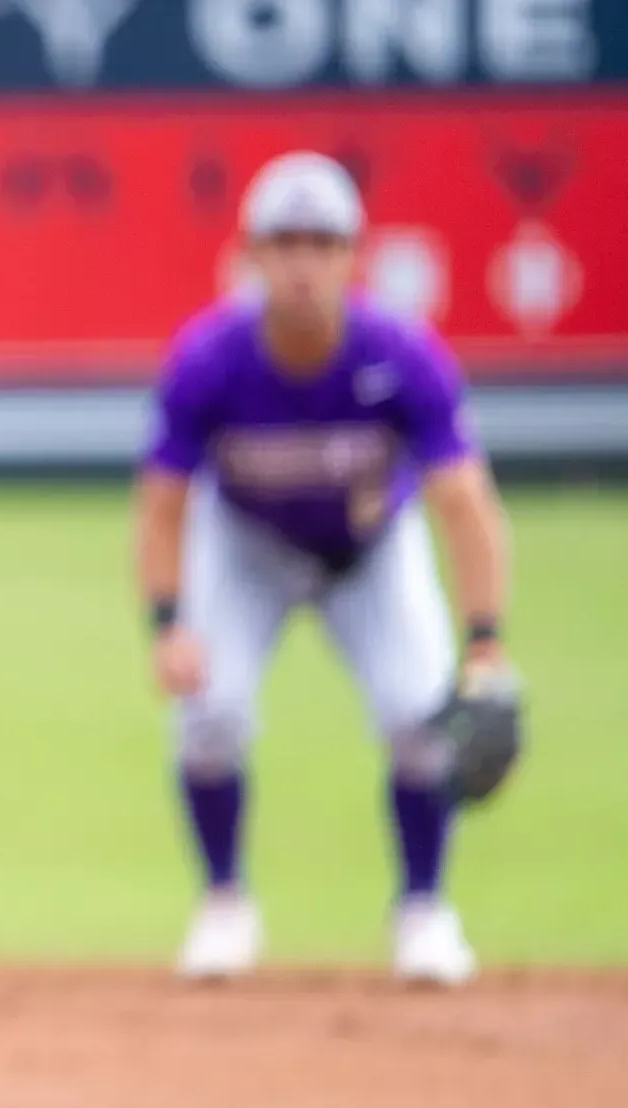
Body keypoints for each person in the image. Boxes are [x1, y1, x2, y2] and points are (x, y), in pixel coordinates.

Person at [136, 151, 514, 986]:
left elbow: (464, 504)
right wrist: (167, 623)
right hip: (246, 546)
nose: (304, 262)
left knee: (422, 718)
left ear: (352, 255)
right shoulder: (210, 358)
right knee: (208, 715)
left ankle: (424, 911)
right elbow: (162, 504)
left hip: (371, 549)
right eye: (285, 242)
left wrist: (485, 642)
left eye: (323, 242)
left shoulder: (402, 357)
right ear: (254, 255)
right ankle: (224, 904)